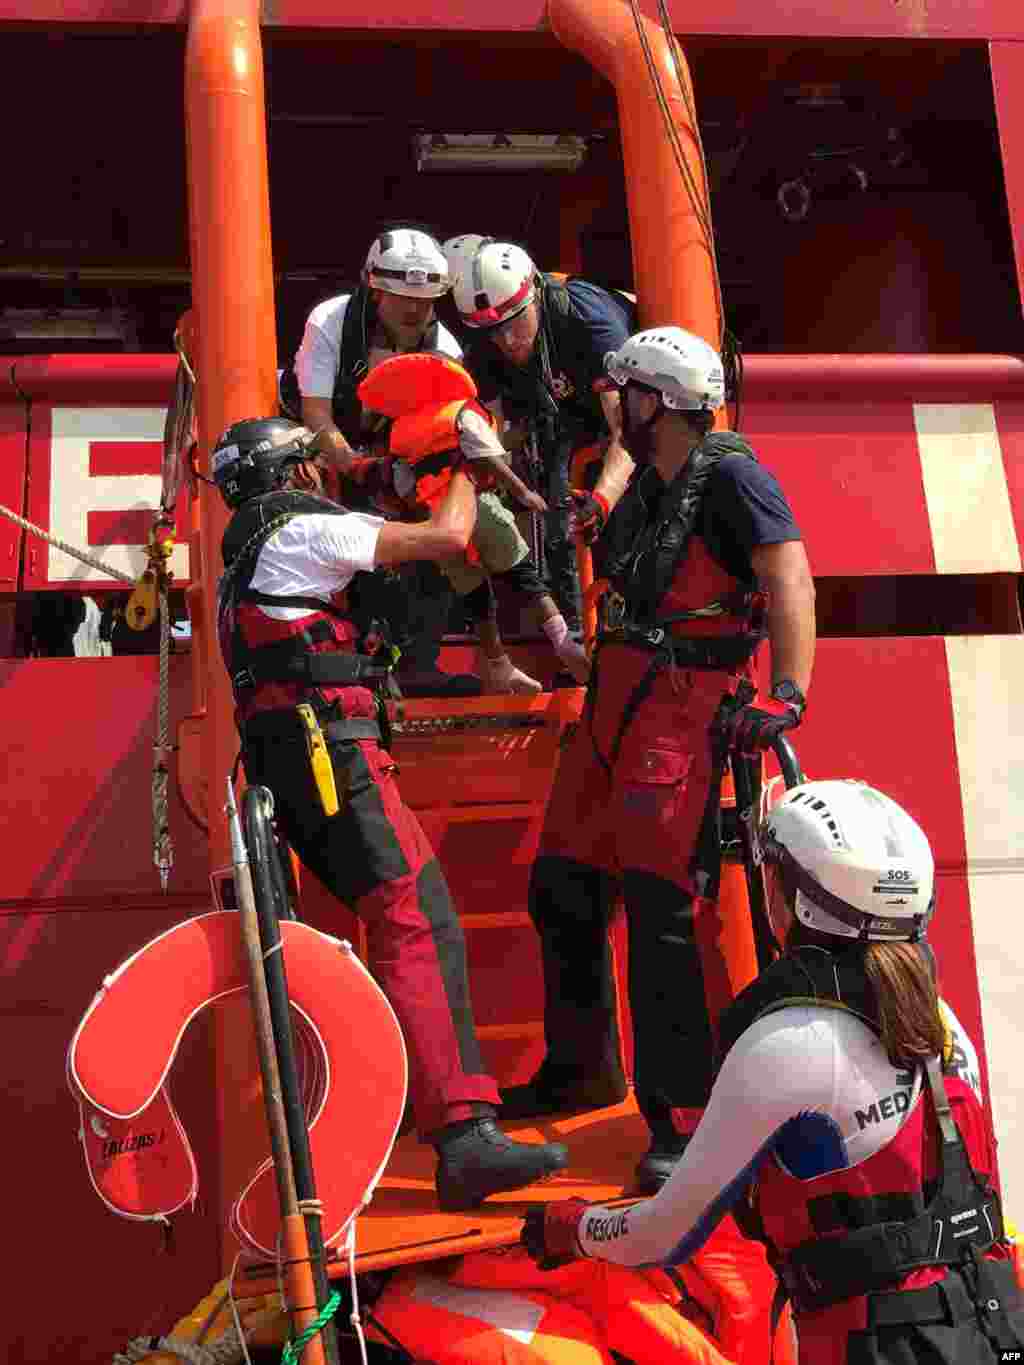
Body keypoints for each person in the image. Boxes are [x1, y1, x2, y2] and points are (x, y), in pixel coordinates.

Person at [520, 780, 1024, 1365]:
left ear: (791, 897)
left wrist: (573, 1227)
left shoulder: (787, 1044)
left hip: (881, 1347)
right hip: (995, 1326)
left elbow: (662, 1235)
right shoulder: (938, 1016)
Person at [211, 416, 568, 1210]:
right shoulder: (299, 529)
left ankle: (434, 1110)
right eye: (309, 462)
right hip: (329, 752)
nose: (320, 474)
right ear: (290, 473)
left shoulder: (246, 550)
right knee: (416, 912)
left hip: (293, 759)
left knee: (402, 910)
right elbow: (445, 536)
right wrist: (465, 464)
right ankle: (463, 1132)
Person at [505, 326, 816, 1195]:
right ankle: (583, 1066)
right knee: (561, 884)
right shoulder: (651, 475)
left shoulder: (733, 479)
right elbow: (618, 485)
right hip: (618, 697)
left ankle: (679, 1119)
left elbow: (790, 574)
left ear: (657, 403)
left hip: (681, 711)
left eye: (628, 396)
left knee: (660, 912)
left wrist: (787, 691)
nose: (620, 409)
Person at [281, 225, 477, 697]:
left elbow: (443, 430)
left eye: (426, 299)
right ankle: (345, 662)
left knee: (434, 535)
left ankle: (418, 661)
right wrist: (354, 466)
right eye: (402, 297)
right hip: (318, 449)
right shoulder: (331, 321)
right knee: (338, 544)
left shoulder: (445, 349)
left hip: (393, 453)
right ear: (373, 287)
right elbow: (316, 415)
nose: (415, 309)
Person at [354, 350, 590, 693]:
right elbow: (488, 455)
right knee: (521, 574)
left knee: (475, 594)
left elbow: (405, 484)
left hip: (438, 524)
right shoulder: (461, 412)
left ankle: (498, 664)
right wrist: (523, 492)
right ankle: (563, 640)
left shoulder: (404, 429)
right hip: (477, 505)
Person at [451, 241, 638, 625]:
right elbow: (495, 430)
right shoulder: (488, 339)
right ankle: (576, 637)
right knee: (559, 532)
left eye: (515, 322)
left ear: (534, 291)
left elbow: (628, 431)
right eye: (494, 332)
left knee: (626, 528)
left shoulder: (589, 321)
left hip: (636, 419)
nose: (506, 341)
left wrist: (602, 501)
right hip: (567, 419)